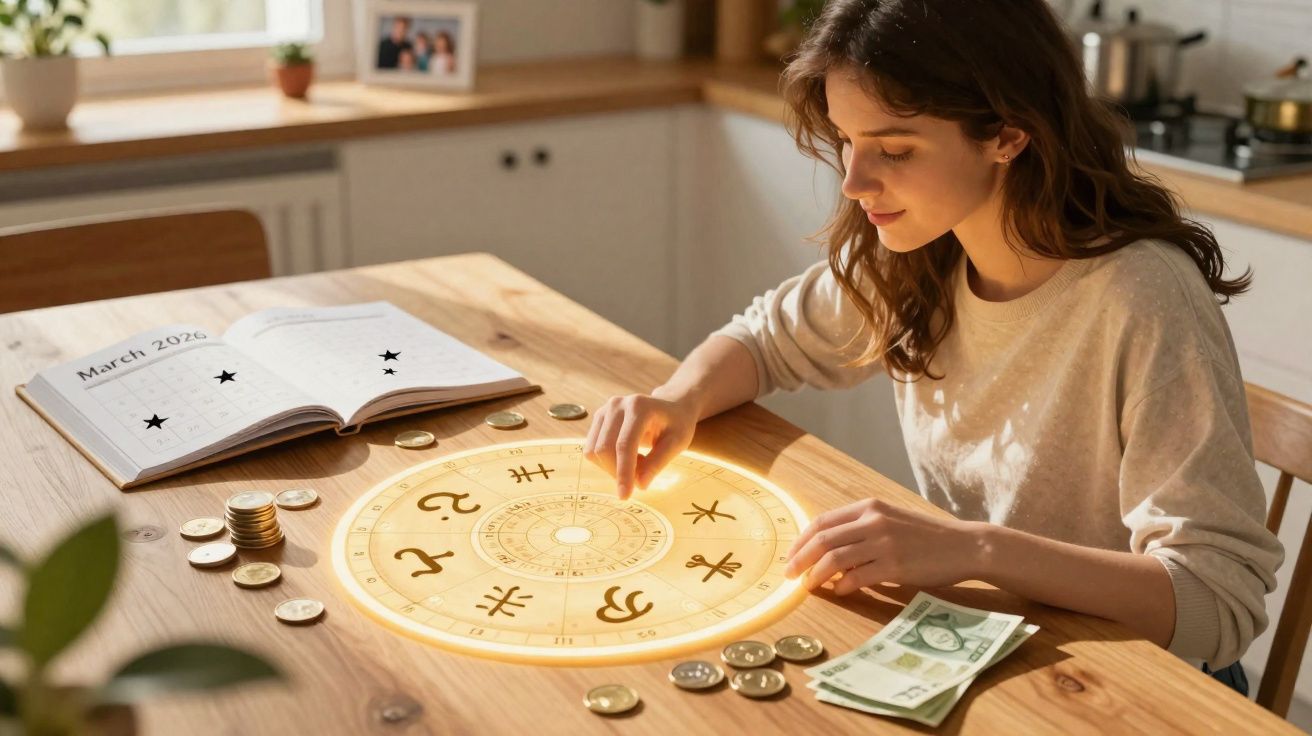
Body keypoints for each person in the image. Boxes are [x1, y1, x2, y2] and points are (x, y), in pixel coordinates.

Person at [582, 0, 1283, 697]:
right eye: (848, 142)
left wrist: (973, 551)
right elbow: (764, 339)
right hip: (998, 647)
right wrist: (678, 398)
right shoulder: (920, 254)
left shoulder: (1142, 296)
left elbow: (1214, 606)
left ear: (1007, 136)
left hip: (1146, 685)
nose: (855, 184)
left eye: (895, 149)